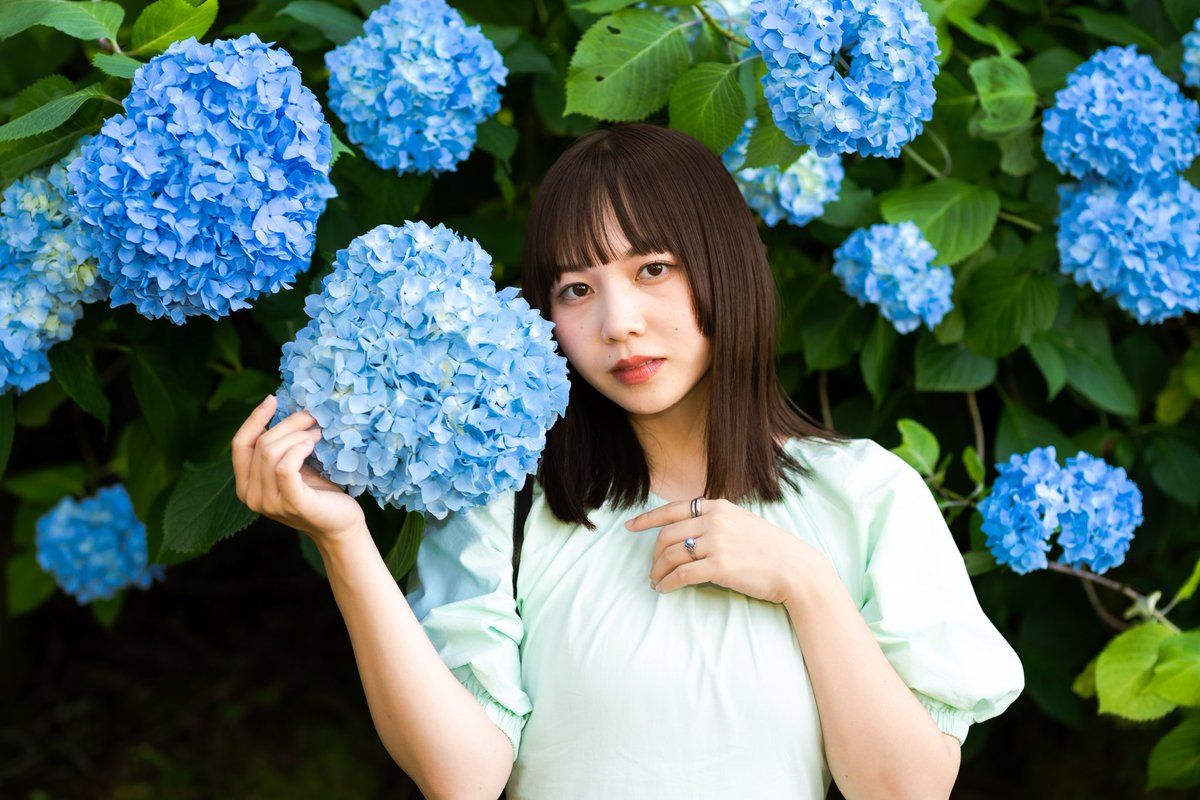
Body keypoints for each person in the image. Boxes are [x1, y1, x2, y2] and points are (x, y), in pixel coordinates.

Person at [232, 124, 1024, 800]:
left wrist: (805, 584)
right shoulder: (508, 505)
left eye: (653, 270)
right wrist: (343, 540)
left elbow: (906, 789)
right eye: (576, 289)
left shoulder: (866, 493)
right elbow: (460, 779)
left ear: (726, 265)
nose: (618, 323)